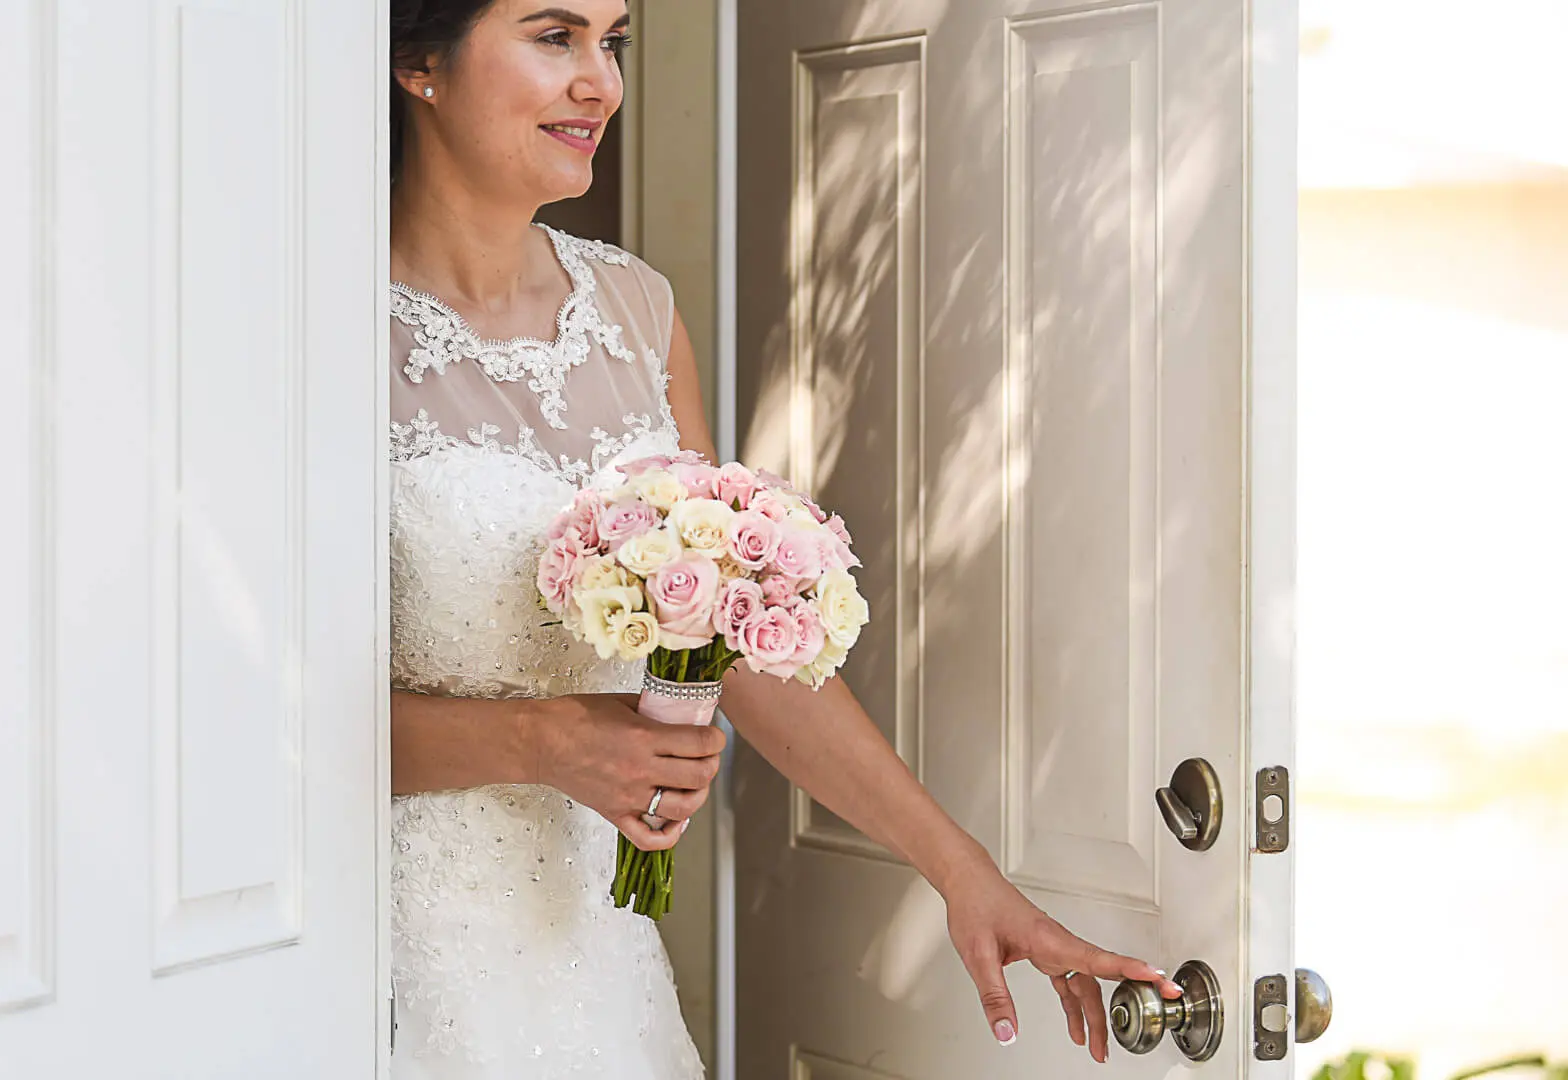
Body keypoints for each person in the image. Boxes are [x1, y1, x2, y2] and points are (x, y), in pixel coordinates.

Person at [385, 1, 1183, 1074]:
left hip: (593, 974)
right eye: (553, 37)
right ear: (418, 64)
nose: (602, 84)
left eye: (613, 44)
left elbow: (733, 635)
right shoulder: (325, 323)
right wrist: (541, 742)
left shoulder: (633, 311)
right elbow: (265, 726)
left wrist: (963, 874)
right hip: (394, 961)